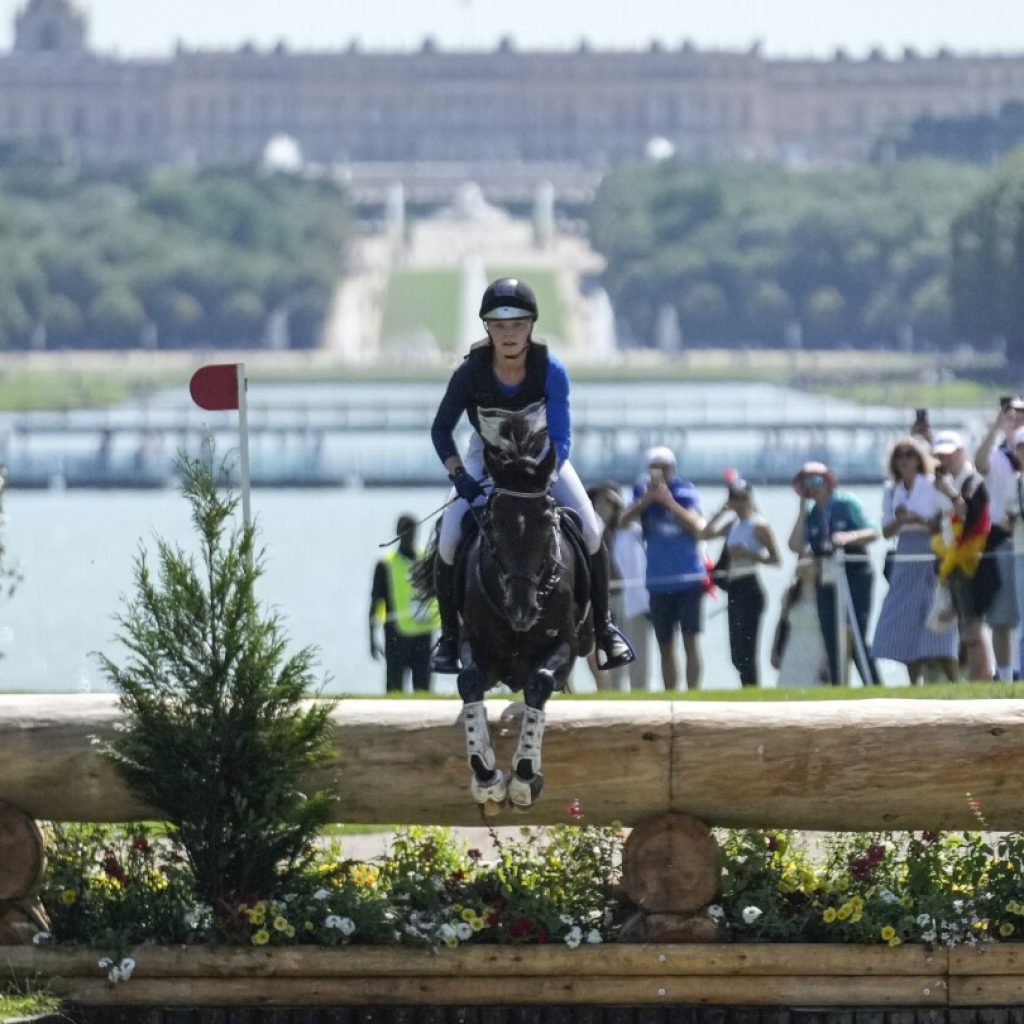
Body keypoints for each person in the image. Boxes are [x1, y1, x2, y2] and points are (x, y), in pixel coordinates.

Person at [428, 276, 634, 674]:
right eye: (499, 326)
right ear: (487, 328)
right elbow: (441, 430)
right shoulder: (470, 373)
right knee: (451, 534)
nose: (509, 335)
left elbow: (561, 435)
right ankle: (450, 638)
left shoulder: (551, 370)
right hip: (485, 459)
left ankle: (605, 628)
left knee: (590, 529)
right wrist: (459, 477)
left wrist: (547, 474)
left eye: (517, 325)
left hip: (543, 458)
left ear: (531, 327)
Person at [870, 436, 958, 685]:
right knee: (906, 619)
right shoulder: (892, 489)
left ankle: (953, 679)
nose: (905, 460)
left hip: (930, 552)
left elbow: (942, 523)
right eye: (900, 456)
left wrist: (917, 519)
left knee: (935, 619)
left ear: (918, 459)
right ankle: (913, 682)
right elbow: (886, 530)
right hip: (905, 554)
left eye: (910, 455)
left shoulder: (931, 484)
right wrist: (900, 520)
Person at [787, 460, 882, 687]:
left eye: (816, 480)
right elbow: (795, 545)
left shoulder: (845, 503)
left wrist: (848, 538)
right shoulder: (811, 514)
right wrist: (801, 507)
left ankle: (874, 685)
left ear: (828, 481)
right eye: (805, 482)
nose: (811, 486)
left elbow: (873, 531)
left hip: (854, 571)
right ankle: (839, 686)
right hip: (826, 575)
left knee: (855, 631)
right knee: (831, 632)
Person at [621, 446, 706, 691]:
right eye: (655, 468)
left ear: (673, 468)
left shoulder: (685, 492)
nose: (661, 473)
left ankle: (694, 692)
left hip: (689, 578)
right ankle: (671, 694)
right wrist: (646, 501)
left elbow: (697, 527)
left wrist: (669, 502)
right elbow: (622, 522)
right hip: (658, 581)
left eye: (665, 468)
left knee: (690, 639)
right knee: (665, 644)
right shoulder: (641, 494)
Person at [702, 476, 781, 686]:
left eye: (741, 497)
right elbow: (705, 534)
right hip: (734, 587)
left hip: (750, 585)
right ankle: (746, 686)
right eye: (734, 498)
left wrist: (748, 554)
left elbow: (775, 559)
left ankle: (752, 688)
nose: (738, 502)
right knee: (735, 650)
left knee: (748, 648)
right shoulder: (732, 525)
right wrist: (720, 512)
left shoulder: (759, 525)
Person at [931, 429, 993, 682]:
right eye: (941, 456)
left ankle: (983, 676)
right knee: (965, 625)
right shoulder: (952, 481)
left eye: (951, 454)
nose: (946, 460)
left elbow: (967, 513)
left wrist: (949, 491)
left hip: (971, 560)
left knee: (972, 625)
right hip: (953, 557)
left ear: (961, 453)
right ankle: (977, 676)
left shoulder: (971, 481)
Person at [973, 398, 1024, 681]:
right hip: (1003, 539)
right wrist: (997, 427)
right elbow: (979, 463)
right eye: (1012, 413)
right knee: (1003, 615)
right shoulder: (998, 453)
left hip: (1017, 537)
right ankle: (1005, 675)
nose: (1017, 417)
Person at [585, 482, 651, 691]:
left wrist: (617, 502)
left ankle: (638, 691)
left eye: (608, 503)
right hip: (604, 598)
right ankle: (611, 691)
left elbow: (626, 516)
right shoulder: (595, 531)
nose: (603, 508)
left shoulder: (630, 528)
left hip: (629, 597)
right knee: (605, 649)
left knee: (636, 648)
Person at [369, 514, 438, 693]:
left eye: (413, 530)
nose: (409, 535)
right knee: (394, 688)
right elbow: (375, 602)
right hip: (396, 634)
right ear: (398, 533)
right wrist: (372, 638)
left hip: (423, 633)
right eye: (405, 531)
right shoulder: (385, 564)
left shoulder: (426, 560)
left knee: (423, 689)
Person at [771, 558, 829, 687]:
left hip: (817, 648)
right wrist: (775, 651)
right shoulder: (791, 594)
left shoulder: (825, 594)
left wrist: (828, 659)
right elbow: (781, 624)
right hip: (793, 648)